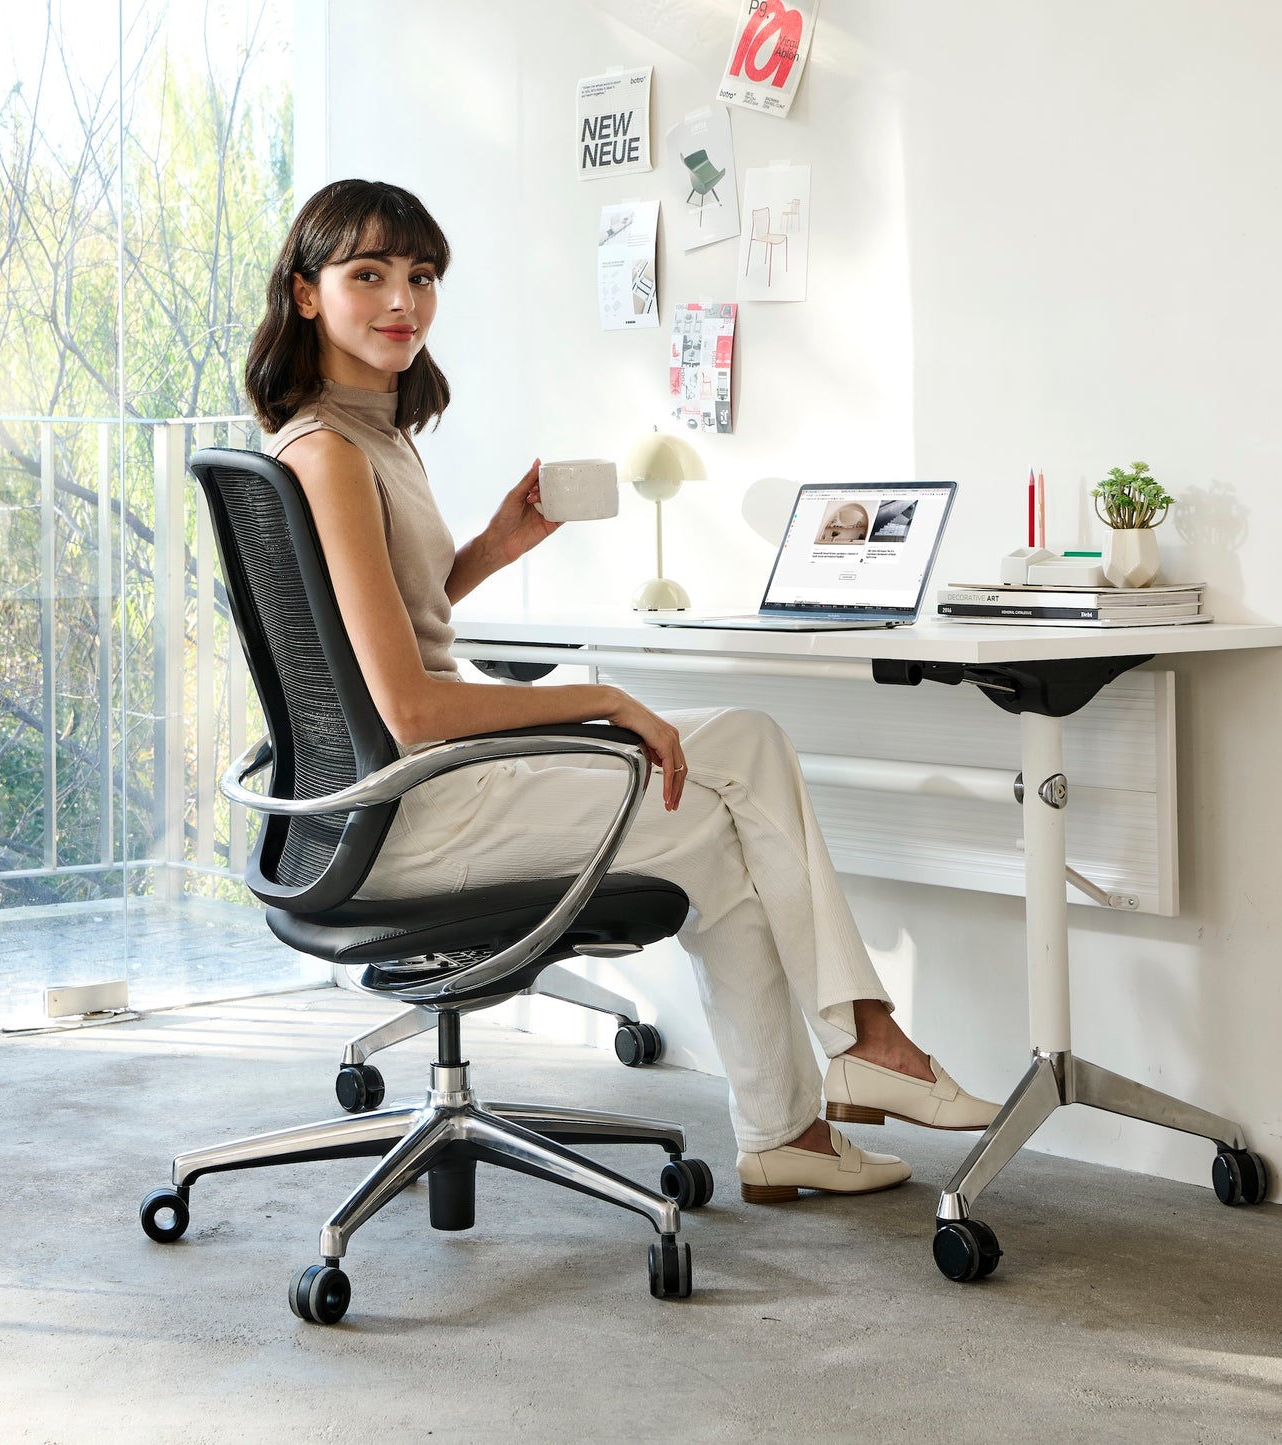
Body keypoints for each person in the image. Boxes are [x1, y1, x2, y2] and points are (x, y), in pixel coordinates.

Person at [246, 179, 997, 1202]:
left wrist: (490, 550)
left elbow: (374, 628)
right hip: (409, 810)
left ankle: (787, 1132)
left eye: (420, 276)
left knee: (707, 826)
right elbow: (411, 707)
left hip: (386, 800)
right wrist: (598, 702)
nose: (401, 301)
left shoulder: (365, 435)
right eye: (366, 275)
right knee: (740, 741)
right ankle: (866, 1040)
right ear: (304, 295)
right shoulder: (330, 452)